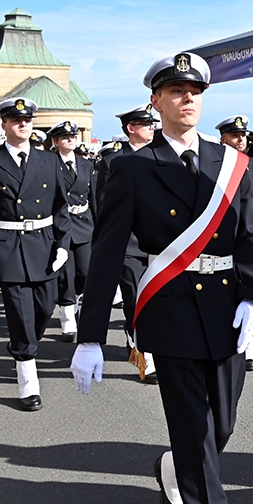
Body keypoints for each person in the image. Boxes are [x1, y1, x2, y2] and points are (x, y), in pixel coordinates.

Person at [71, 52, 253, 504]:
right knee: (191, 424)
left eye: (194, 90)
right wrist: (90, 336)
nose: (187, 98)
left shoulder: (232, 163)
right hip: (173, 307)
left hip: (228, 307)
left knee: (221, 425)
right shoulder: (132, 167)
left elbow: (250, 239)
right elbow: (109, 253)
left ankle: (171, 469)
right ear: (155, 102)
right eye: (175, 90)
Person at [0, 97, 71, 412]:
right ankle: (27, 373)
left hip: (45, 243)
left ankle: (25, 344)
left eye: (27, 120)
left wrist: (63, 244)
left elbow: (61, 207)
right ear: (4, 125)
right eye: (16, 120)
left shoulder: (49, 161)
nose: (23, 124)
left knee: (45, 307)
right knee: (20, 313)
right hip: (8, 245)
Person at [96, 103, 159, 381]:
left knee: (158, 301)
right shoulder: (113, 161)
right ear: (131, 128)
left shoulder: (162, 156)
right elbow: (104, 205)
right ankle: (146, 356)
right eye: (146, 124)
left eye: (153, 123)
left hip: (160, 245)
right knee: (135, 299)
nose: (152, 128)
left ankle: (138, 339)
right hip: (131, 245)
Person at [217, 114, 253, 372]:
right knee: (232, 291)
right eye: (234, 136)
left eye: (243, 136)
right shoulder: (217, 164)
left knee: (252, 288)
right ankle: (243, 341)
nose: (241, 140)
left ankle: (248, 340)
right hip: (229, 237)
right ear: (223, 139)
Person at [49, 120, 96, 340]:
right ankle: (67, 314)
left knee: (85, 272)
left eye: (73, 137)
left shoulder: (85, 165)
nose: (71, 140)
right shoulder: (49, 163)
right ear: (56, 142)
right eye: (65, 138)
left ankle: (74, 298)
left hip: (84, 222)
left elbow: (93, 196)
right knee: (65, 273)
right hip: (60, 223)